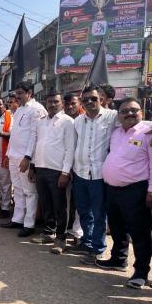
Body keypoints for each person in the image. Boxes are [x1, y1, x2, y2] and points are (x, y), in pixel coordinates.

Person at [99, 98, 152, 289]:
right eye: (124, 111)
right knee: (117, 227)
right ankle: (118, 259)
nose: (129, 114)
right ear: (119, 115)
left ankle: (140, 272)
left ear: (142, 112)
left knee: (139, 232)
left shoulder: (148, 132)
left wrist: (151, 191)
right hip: (113, 189)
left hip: (136, 190)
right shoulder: (116, 133)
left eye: (134, 110)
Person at [69, 83, 117, 265]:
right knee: (83, 211)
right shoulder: (78, 121)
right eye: (86, 99)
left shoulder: (112, 117)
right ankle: (87, 243)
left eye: (93, 99)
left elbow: (135, 124)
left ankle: (98, 249)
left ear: (102, 99)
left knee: (99, 214)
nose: (89, 102)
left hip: (99, 175)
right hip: (80, 173)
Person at [28, 92, 75, 254]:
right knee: (46, 203)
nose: (52, 104)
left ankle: (61, 238)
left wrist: (65, 172)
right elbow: (37, 144)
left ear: (62, 103)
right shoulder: (41, 122)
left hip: (57, 170)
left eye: (56, 101)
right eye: (49, 102)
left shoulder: (68, 122)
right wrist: (33, 167)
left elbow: (70, 149)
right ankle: (48, 232)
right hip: (40, 168)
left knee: (60, 206)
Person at [1, 81, 47, 237]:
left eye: (20, 93)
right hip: (14, 155)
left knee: (29, 191)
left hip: (25, 157)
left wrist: (28, 157)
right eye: (17, 93)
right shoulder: (19, 109)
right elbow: (14, 134)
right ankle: (18, 219)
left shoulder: (37, 109)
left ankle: (29, 224)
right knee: (18, 189)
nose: (17, 96)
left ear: (30, 94)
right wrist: (8, 154)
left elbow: (35, 135)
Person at [63, 93, 85, 243]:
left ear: (80, 104)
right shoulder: (65, 121)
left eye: (73, 103)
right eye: (67, 104)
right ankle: (64, 229)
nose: (70, 106)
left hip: (82, 169)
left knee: (79, 202)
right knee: (66, 200)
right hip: (64, 167)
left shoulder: (84, 120)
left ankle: (77, 232)